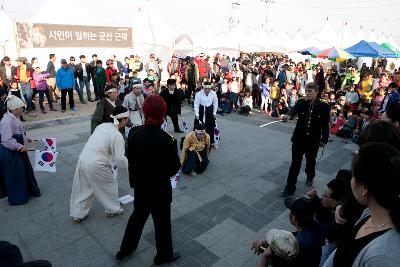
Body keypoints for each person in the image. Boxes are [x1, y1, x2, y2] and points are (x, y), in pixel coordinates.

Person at [116, 96, 181, 265]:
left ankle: (125, 249)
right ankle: (164, 255)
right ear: (162, 113)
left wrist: (134, 182)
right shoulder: (168, 139)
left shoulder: (135, 133)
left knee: (137, 218)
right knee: (162, 224)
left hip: (142, 188)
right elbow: (174, 168)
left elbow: (131, 161)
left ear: (144, 112)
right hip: (160, 191)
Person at [323, 143, 400, 267]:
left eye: (353, 175)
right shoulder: (370, 212)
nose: (351, 181)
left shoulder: (382, 257)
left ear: (364, 188)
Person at [70, 106, 129, 224]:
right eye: (127, 119)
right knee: (110, 184)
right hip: (97, 164)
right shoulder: (117, 136)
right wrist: (131, 168)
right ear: (123, 119)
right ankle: (113, 209)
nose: (128, 121)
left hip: (83, 160)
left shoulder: (102, 126)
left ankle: (78, 214)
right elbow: (120, 159)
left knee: (84, 188)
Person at [281, 82, 330, 197]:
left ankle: (310, 176)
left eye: (309, 91)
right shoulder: (301, 102)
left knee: (311, 160)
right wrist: (288, 115)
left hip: (313, 140)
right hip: (299, 138)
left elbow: (325, 124)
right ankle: (290, 187)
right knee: (295, 164)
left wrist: (324, 139)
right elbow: (293, 110)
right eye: (306, 91)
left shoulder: (324, 106)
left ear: (316, 92)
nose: (307, 93)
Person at [0, 95, 41, 205]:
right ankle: (18, 197)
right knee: (16, 174)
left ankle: (27, 191)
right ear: (14, 109)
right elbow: (7, 139)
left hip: (18, 151)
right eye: (21, 107)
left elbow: (17, 133)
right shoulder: (6, 121)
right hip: (12, 153)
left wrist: (25, 139)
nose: (22, 109)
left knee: (24, 171)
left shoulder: (15, 118)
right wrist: (19, 146)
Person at [284, 197, 323, 267]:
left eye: (290, 211)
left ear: (294, 217)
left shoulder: (298, 245)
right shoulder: (317, 227)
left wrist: (264, 251)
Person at [194, 81, 218, 148]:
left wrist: (214, 112)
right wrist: (197, 114)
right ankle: (197, 141)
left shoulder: (213, 93)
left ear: (211, 88)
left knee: (211, 126)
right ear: (203, 88)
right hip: (201, 111)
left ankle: (211, 141)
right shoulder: (198, 94)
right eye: (206, 89)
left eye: (209, 89)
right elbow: (196, 104)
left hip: (210, 111)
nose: (207, 90)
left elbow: (215, 103)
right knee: (199, 127)